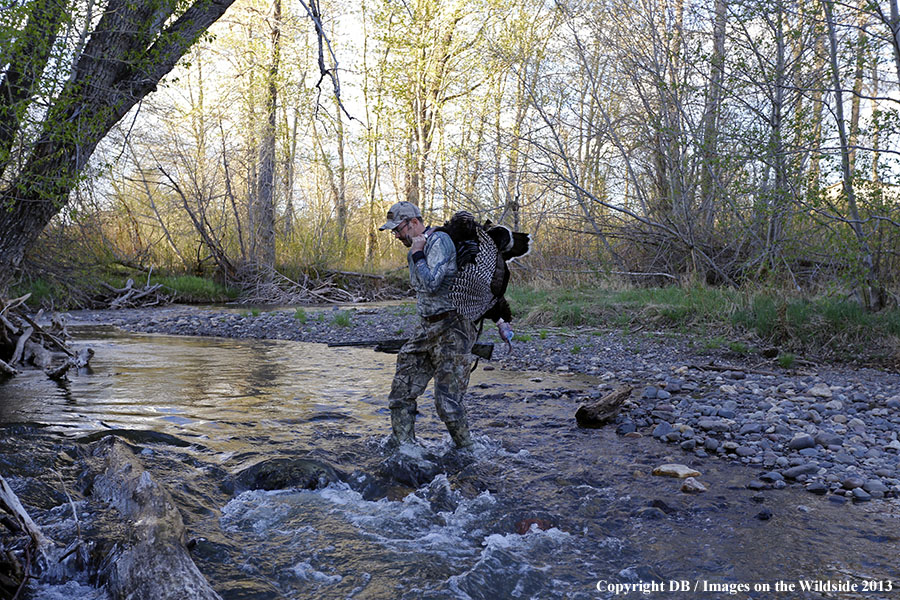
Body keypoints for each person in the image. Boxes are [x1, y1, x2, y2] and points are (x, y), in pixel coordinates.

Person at [379, 201, 476, 449]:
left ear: (413, 223)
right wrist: (416, 252)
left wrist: (418, 253)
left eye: (398, 229)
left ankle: (468, 453)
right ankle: (405, 450)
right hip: (425, 329)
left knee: (447, 403)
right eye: (393, 231)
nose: (396, 235)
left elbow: (432, 283)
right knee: (400, 393)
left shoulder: (438, 242)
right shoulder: (416, 247)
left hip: (453, 328)